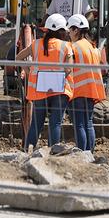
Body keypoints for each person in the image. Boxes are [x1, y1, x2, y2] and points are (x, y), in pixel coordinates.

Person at [19, 13, 73, 149]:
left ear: (46, 30)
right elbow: (69, 69)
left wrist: (28, 71)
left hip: (40, 89)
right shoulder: (66, 46)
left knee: (36, 123)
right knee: (55, 123)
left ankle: (28, 150)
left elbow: (19, 57)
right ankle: (53, 152)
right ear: (61, 31)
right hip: (59, 89)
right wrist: (59, 78)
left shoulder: (36, 44)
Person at [66, 14, 106, 151]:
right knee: (88, 123)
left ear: (76, 30)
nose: (69, 34)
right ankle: (90, 153)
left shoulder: (73, 47)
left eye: (70, 30)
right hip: (91, 90)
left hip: (77, 90)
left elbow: (68, 69)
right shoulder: (93, 47)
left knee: (79, 125)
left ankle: (82, 154)